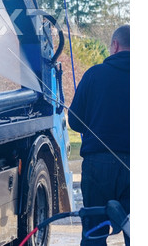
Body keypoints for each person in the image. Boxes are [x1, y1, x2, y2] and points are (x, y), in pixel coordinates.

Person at [68, 25, 130, 245]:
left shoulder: (94, 75)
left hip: (98, 166)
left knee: (95, 234)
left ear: (114, 45)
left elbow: (74, 121)